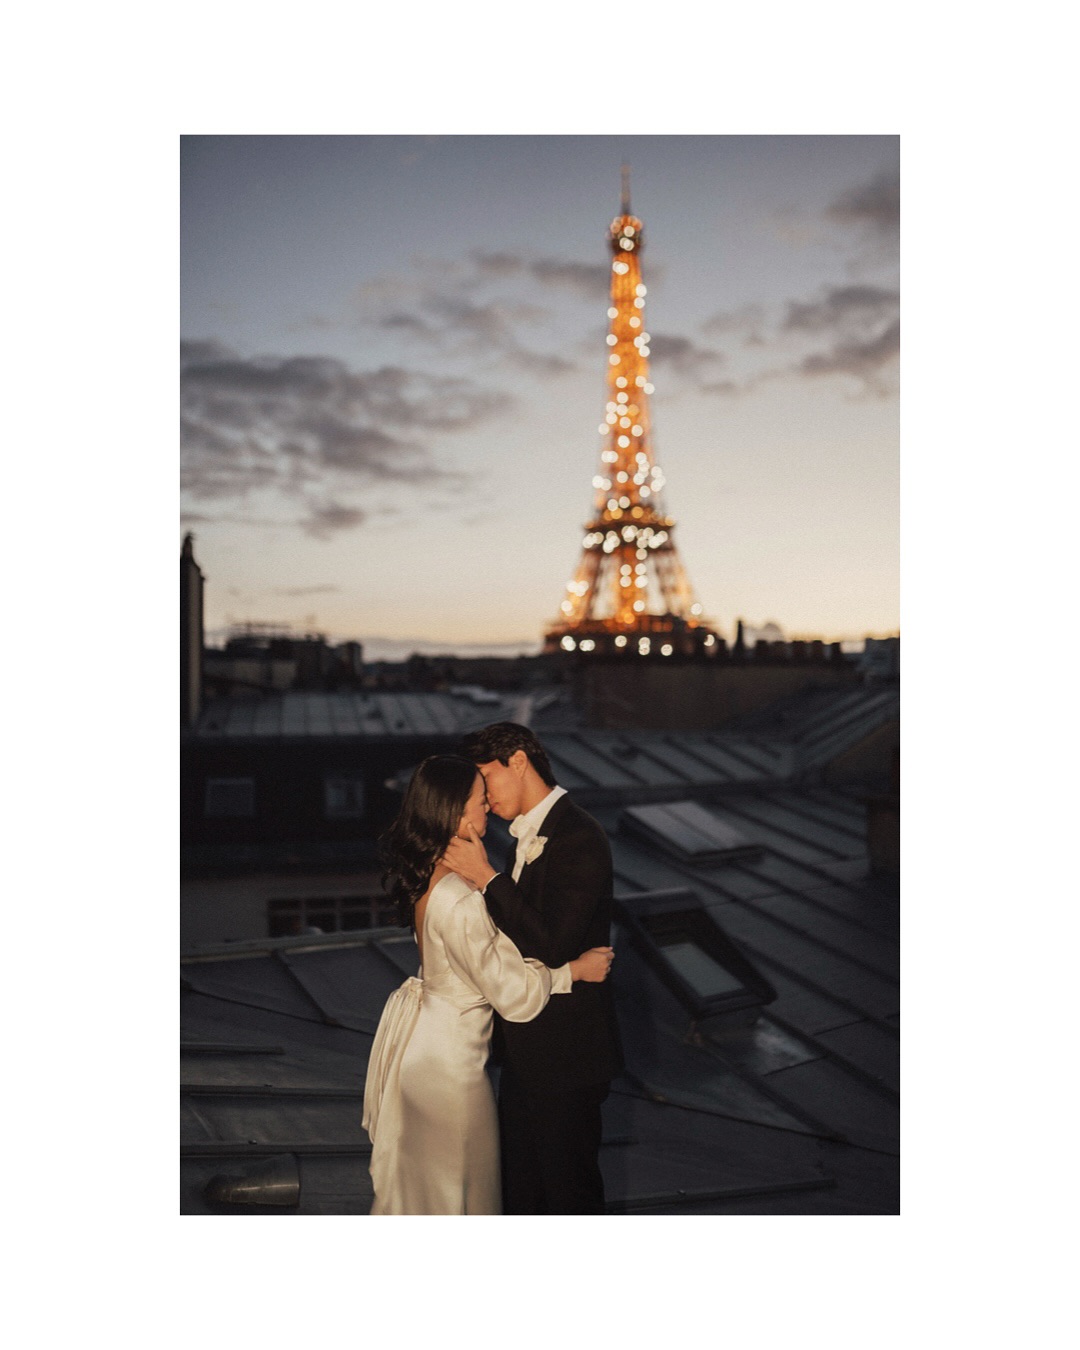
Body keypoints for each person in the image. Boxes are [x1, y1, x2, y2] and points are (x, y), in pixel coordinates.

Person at [361, 755, 613, 1215]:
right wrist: (574, 971)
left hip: (431, 1044)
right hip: (450, 1064)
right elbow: (510, 992)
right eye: (479, 801)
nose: (488, 809)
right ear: (457, 812)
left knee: (436, 1192)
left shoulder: (434, 876)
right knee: (463, 1189)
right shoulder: (458, 896)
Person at [442, 722, 624, 1215]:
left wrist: (487, 879)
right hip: (525, 1050)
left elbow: (553, 943)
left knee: (568, 1196)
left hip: (568, 1056)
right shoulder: (521, 838)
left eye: (485, 778)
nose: (481, 794)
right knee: (522, 1192)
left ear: (518, 761)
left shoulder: (580, 835)